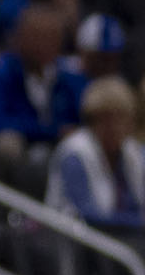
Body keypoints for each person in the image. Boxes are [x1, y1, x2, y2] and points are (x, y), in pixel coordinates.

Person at [0, 3, 88, 178]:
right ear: (19, 38)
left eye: (51, 38)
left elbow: (84, 114)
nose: (44, 45)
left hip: (53, 147)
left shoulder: (68, 76)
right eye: (37, 37)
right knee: (7, 145)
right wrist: (49, 131)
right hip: (17, 147)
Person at [50, 75, 144, 232]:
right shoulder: (75, 153)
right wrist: (139, 223)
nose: (114, 126)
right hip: (79, 241)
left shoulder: (133, 151)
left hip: (126, 239)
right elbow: (86, 214)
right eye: (106, 118)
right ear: (92, 121)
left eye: (120, 118)